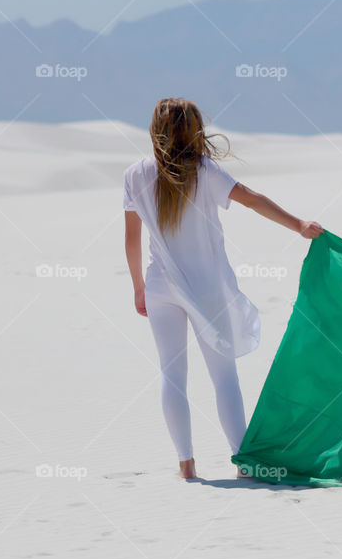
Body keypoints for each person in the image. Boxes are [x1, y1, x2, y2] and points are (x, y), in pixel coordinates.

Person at [122, 97, 323, 480]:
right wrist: (298, 225)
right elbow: (252, 200)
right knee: (224, 375)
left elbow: (131, 239)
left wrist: (138, 286)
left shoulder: (135, 174)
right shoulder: (204, 171)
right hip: (206, 290)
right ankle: (242, 461)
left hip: (161, 286)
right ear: (194, 129)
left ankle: (186, 465)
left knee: (172, 374)